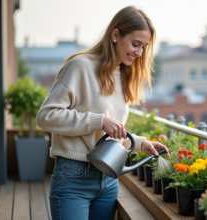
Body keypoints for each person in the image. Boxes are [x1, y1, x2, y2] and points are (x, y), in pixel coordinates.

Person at [36, 5, 169, 220]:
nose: (139, 52)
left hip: (108, 180)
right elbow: (46, 116)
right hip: (72, 178)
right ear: (115, 35)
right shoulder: (79, 66)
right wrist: (99, 121)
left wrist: (141, 143)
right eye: (135, 44)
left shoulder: (124, 75)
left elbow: (109, 136)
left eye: (144, 47)